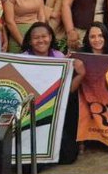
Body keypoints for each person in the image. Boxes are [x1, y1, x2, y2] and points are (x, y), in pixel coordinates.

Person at [21, 22, 85, 165]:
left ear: (50, 37)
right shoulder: (23, 59)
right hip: (31, 112)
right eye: (36, 38)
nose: (41, 40)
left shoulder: (59, 56)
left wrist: (80, 73)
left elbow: (67, 91)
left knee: (69, 156)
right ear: (30, 41)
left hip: (52, 110)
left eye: (44, 36)